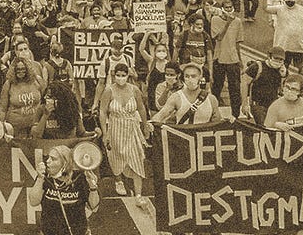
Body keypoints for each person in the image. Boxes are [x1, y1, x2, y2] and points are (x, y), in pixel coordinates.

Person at [96, 63, 150, 205]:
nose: (121, 78)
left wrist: (145, 125)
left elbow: (142, 108)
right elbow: (102, 112)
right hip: (115, 128)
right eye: (118, 75)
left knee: (137, 159)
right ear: (114, 76)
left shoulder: (135, 90)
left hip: (132, 128)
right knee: (115, 156)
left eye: (123, 75)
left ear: (128, 75)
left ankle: (138, 195)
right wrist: (105, 132)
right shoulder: (109, 90)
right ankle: (118, 180)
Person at [30, 144, 100, 235]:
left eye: (53, 159)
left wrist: (92, 186)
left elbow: (94, 207)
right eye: (48, 158)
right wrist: (39, 178)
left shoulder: (80, 178)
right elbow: (33, 201)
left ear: (65, 163)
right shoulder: (45, 177)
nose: (47, 161)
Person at [150, 63, 219, 125]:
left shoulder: (211, 99)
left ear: (200, 78)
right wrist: (151, 124)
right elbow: (161, 114)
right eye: (187, 76)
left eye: (193, 76)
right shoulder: (176, 97)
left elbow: (218, 123)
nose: (190, 79)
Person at [241, 50, 288, 124]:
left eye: (281, 60)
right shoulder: (257, 67)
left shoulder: (282, 70)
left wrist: (283, 76)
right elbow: (244, 83)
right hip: (258, 104)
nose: (278, 61)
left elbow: (283, 90)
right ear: (269, 57)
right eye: (276, 58)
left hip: (273, 105)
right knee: (264, 126)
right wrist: (244, 104)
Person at [267, 0, 303, 67]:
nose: (289, 0)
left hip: (300, 47)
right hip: (284, 46)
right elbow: (265, 8)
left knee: (302, 69)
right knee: (282, 69)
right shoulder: (279, 9)